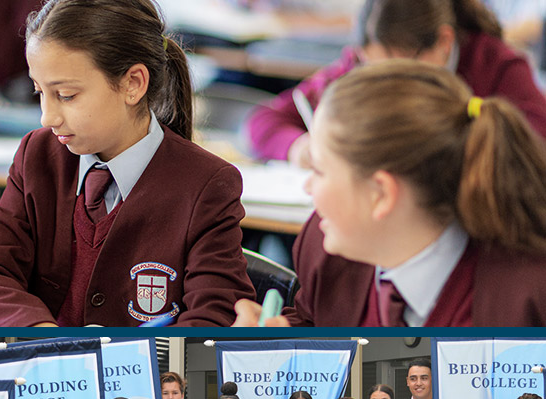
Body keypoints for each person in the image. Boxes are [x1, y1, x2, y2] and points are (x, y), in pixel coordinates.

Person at [0, 0, 253, 327]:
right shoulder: (38, 156)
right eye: (39, 93)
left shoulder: (207, 184)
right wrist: (41, 333)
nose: (47, 117)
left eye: (66, 95)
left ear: (133, 83)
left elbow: (215, 317)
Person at [234, 60, 546, 327]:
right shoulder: (322, 250)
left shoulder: (527, 298)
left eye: (318, 170)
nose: (307, 187)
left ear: (381, 193)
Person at [246, 0, 546, 166]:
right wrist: (300, 148)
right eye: (372, 67)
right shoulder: (362, 64)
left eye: (398, 69)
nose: (385, 82)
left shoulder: (496, 66)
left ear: (444, 42)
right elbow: (264, 121)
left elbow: (537, 147)